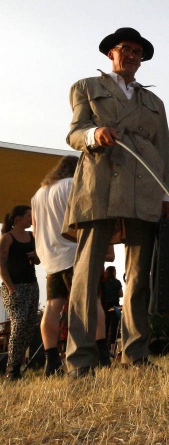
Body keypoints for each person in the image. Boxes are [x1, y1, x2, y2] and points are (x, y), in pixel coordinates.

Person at [64, 27, 169, 377]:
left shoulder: (154, 103)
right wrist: (93, 134)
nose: (130, 55)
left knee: (140, 274)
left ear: (142, 59)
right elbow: (73, 133)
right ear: (111, 54)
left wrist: (165, 194)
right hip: (99, 183)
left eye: (137, 51)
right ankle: (80, 360)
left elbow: (164, 150)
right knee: (86, 274)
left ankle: (135, 353)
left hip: (144, 186)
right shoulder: (87, 87)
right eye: (124, 49)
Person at [32, 156, 108, 376]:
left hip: (50, 258)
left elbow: (36, 232)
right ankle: (102, 355)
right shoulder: (71, 185)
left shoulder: (38, 194)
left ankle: (51, 361)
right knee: (92, 303)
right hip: (74, 252)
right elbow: (83, 218)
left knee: (52, 308)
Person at [0, 206, 39, 380]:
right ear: (18, 219)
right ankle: (11, 369)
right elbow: (1, 264)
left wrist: (34, 256)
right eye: (28, 216)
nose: (31, 219)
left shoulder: (32, 236)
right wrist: (11, 287)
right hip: (15, 287)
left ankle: (17, 364)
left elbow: (38, 260)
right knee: (19, 324)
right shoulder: (7, 238)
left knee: (29, 327)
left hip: (32, 285)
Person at [100, 265, 123, 350]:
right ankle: (112, 347)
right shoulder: (117, 282)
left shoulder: (103, 282)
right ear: (113, 272)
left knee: (105, 327)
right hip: (115, 307)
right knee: (114, 328)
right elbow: (121, 294)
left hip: (104, 307)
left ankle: (104, 347)